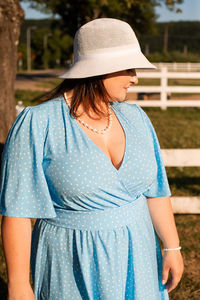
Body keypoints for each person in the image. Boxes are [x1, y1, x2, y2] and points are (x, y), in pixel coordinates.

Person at [0, 18, 184, 300]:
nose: (135, 78)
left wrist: (172, 247)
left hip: (139, 256)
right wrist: (18, 284)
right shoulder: (38, 124)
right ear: (101, 69)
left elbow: (156, 190)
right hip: (72, 261)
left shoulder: (137, 119)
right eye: (129, 68)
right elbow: (18, 213)